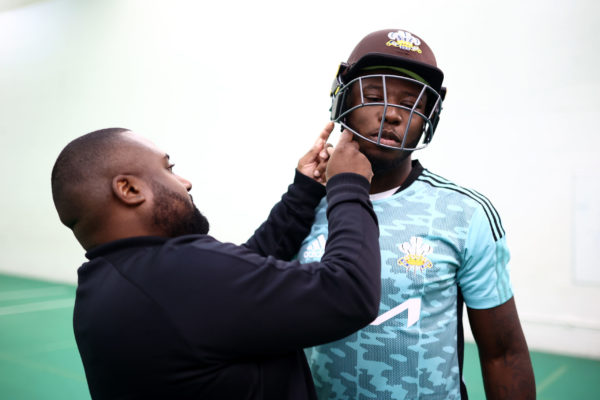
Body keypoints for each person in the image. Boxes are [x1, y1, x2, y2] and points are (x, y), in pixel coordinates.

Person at [50, 126, 381, 399]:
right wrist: (349, 184)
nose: (185, 182)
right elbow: (348, 291)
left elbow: (241, 282)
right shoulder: (179, 275)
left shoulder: (107, 282)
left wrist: (305, 191)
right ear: (129, 189)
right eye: (168, 168)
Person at [297, 29, 536, 399]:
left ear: (429, 117)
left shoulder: (465, 213)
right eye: (374, 96)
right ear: (343, 100)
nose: (392, 114)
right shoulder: (305, 203)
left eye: (411, 103)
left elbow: (503, 354)